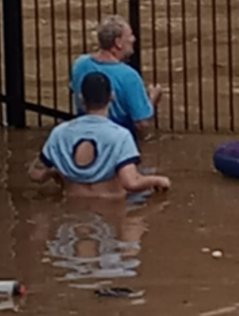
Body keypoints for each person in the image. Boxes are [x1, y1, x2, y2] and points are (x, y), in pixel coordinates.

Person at [28, 72, 171, 199]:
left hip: (72, 202)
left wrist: (56, 173)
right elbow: (131, 182)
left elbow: (36, 175)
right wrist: (158, 181)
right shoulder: (120, 136)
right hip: (112, 205)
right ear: (111, 97)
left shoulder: (59, 133)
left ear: (81, 98)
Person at [70, 16, 161, 137]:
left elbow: (74, 91)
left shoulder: (80, 64)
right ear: (118, 43)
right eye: (130, 35)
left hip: (82, 134)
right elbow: (141, 123)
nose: (133, 39)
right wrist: (153, 98)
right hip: (117, 138)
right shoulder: (129, 76)